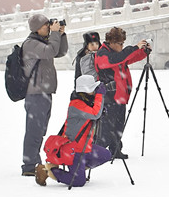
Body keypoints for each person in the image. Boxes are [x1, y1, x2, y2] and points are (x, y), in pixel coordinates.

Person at [37, 75, 111, 187]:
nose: (96, 91)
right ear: (86, 90)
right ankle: (48, 170)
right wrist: (100, 96)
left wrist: (100, 107)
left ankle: (78, 169)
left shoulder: (86, 102)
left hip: (85, 147)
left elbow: (94, 112)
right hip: (74, 149)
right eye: (94, 89)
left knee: (106, 155)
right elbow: (95, 114)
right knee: (78, 182)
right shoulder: (76, 105)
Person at [21, 13, 69, 178]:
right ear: (36, 29)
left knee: (40, 129)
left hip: (44, 92)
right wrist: (55, 34)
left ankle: (34, 160)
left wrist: (60, 34)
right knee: (34, 129)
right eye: (45, 26)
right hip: (35, 93)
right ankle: (28, 165)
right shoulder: (31, 44)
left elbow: (60, 52)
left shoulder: (41, 42)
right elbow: (50, 52)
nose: (48, 28)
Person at [94, 27, 150, 159]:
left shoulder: (116, 54)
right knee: (107, 129)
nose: (122, 46)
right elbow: (116, 59)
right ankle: (97, 153)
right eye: (120, 43)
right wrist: (134, 47)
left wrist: (144, 52)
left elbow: (128, 58)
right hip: (109, 97)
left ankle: (115, 150)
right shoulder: (103, 54)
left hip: (121, 96)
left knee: (118, 127)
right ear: (111, 42)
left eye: (123, 43)